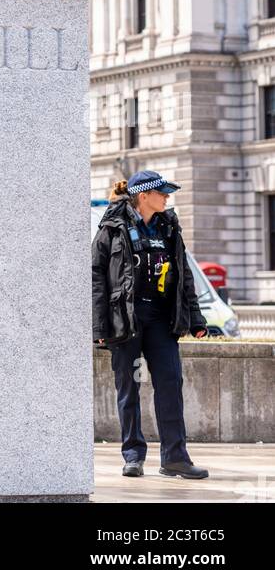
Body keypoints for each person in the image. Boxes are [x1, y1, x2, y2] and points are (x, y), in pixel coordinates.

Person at [92, 171, 209, 479]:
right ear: (143, 196)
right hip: (126, 319)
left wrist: (196, 319)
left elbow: (183, 276)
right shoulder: (112, 228)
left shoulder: (169, 227)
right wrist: (100, 328)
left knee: (170, 384)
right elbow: (97, 278)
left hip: (161, 320)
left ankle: (175, 458)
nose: (167, 197)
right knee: (128, 388)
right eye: (162, 192)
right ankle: (133, 456)